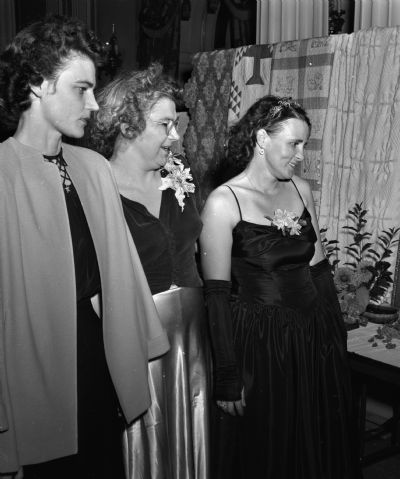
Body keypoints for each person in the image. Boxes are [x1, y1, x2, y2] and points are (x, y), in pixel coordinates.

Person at [0, 15, 169, 478]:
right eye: (81, 89)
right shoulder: (2, 173)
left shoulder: (92, 166)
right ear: (36, 84)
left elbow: (122, 272)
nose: (94, 104)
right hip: (30, 369)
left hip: (96, 357)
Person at [200, 95, 356, 478]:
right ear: (261, 139)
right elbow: (216, 295)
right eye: (294, 144)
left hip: (309, 334)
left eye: (305, 144)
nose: (301, 155)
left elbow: (319, 268)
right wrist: (227, 373)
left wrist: (335, 337)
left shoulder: (301, 189)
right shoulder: (224, 202)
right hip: (260, 342)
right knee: (268, 449)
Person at [88, 63, 210, 479]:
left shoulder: (178, 173)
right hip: (135, 340)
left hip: (192, 336)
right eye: (165, 125)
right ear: (126, 125)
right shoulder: (95, 188)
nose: (175, 136)